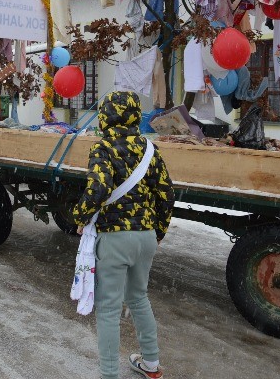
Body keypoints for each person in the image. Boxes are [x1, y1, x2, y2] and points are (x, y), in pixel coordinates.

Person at [72, 91, 175, 379]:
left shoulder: (102, 148)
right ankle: (151, 363)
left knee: (108, 309)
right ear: (135, 116)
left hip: (115, 237)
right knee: (139, 298)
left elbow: (98, 189)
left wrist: (79, 217)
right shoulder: (150, 150)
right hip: (145, 236)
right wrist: (158, 232)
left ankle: (109, 374)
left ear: (105, 116)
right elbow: (166, 195)